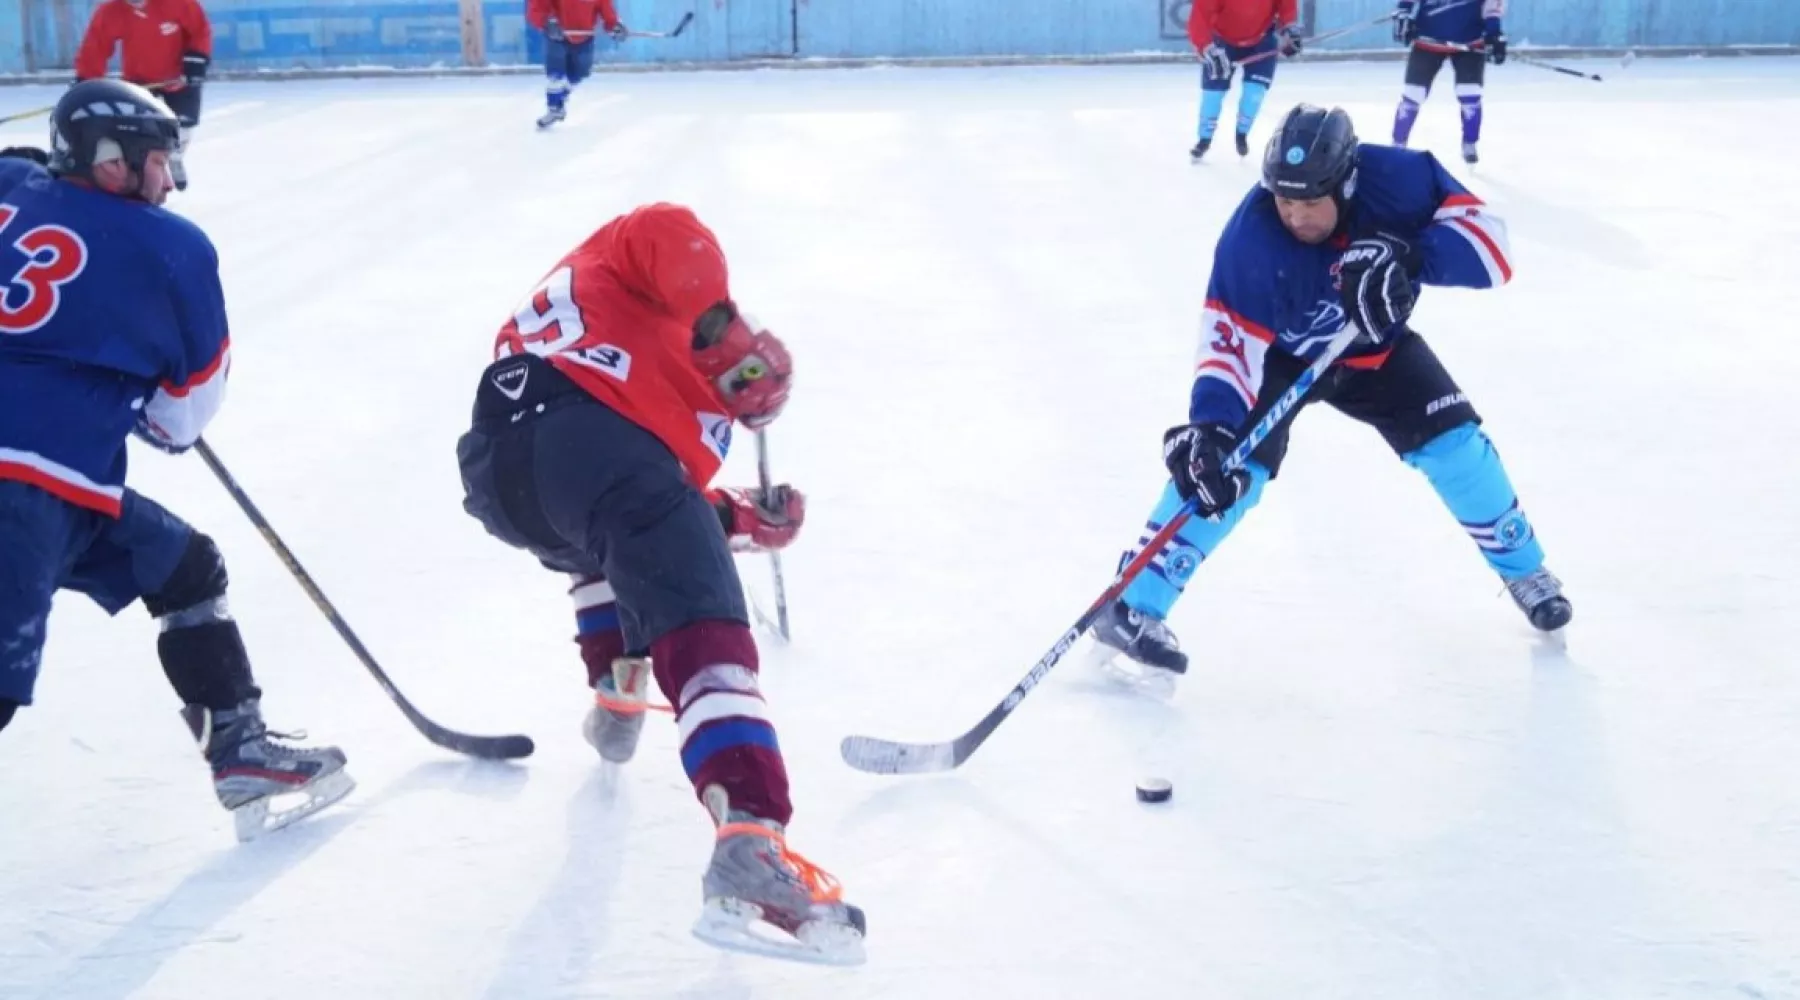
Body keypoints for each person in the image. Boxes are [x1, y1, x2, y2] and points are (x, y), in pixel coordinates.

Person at [454, 202, 865, 965]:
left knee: (616, 538)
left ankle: (615, 685)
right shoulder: (646, 271)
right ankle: (751, 834)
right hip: (589, 442)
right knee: (702, 616)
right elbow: (666, 235)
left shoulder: (612, 338)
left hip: (502, 471)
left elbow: (641, 507)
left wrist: (743, 519)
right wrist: (722, 332)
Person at [1092, 103, 1570, 687]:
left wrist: (1412, 256)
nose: (1294, 214)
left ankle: (1525, 571)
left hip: (1376, 352)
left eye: (1309, 201)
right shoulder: (1251, 237)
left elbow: (1494, 251)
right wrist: (1213, 426)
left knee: (1456, 445)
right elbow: (1228, 343)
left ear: (1346, 182)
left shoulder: (1401, 178)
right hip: (1282, 362)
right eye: (1283, 199)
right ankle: (1135, 603)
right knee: (1226, 469)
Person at [0, 81, 351, 842]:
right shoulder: (172, 248)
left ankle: (241, 748)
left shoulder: (12, 185)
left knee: (182, 565)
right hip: (28, 486)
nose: (167, 178)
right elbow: (183, 419)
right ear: (109, 164)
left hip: (59, 490)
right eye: (155, 160)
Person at [73, 0, 211, 190]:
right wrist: (85, 81)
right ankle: (149, 172)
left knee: (182, 127)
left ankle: (175, 157)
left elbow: (200, 30)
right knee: (138, 132)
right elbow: (95, 46)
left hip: (180, 78)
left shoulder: (179, 3)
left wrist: (195, 63)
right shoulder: (111, 10)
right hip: (139, 81)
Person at [1186, 0, 1303, 162]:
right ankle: (1204, 139)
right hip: (1222, 40)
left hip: (1262, 39)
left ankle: (1242, 133)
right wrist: (1206, 48)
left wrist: (1290, 28)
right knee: (1213, 93)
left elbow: (1286, 4)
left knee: (1255, 92)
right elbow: (1200, 18)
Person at [1391, 0, 1507, 164]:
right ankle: (1397, 145)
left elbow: (1492, 6)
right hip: (1427, 40)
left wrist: (1493, 31)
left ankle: (1470, 144)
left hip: (1470, 42)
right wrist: (1403, 12)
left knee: (1469, 95)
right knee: (1412, 95)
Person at [525, 0, 627, 129]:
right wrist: (546, 22)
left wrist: (615, 26)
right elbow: (537, 7)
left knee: (580, 73)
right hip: (557, 34)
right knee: (556, 73)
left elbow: (607, 11)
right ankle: (554, 107)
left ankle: (560, 99)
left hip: (585, 37)